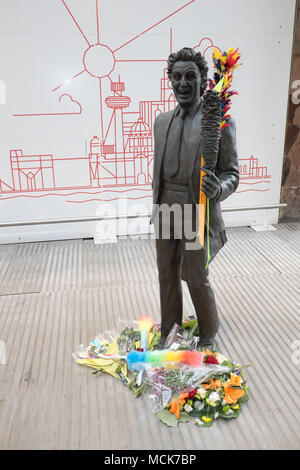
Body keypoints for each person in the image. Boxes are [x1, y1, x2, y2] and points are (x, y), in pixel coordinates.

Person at [151, 47, 239, 349]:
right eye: (176, 77)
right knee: (166, 274)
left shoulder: (219, 123)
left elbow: (232, 173)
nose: (183, 83)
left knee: (195, 277)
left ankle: (209, 332)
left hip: (195, 210)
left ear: (203, 80)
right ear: (170, 82)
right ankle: (170, 330)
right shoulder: (161, 122)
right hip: (164, 208)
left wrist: (219, 189)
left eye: (190, 76)